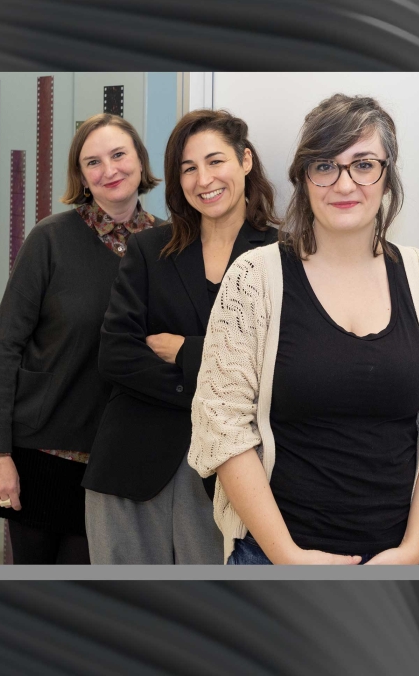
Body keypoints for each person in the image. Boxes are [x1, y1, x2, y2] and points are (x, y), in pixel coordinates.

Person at [189, 94, 419, 565]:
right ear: (304, 178)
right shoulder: (254, 279)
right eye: (324, 166)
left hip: (403, 562)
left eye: (363, 164)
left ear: (387, 175)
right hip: (272, 560)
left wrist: (412, 550)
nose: (344, 184)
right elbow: (222, 424)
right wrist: (288, 557)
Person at [82, 109, 280, 564]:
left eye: (215, 161)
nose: (203, 179)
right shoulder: (149, 249)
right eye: (188, 168)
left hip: (232, 472)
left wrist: (186, 350)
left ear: (245, 160)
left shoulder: (281, 257)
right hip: (130, 466)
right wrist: (220, 383)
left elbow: (278, 365)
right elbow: (116, 354)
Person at [0, 113, 163, 564]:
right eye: (93, 162)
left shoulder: (168, 245)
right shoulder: (50, 238)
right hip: (40, 455)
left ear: (140, 160)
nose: (109, 169)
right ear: (81, 176)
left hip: (117, 465)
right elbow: (4, 348)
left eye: (118, 154)